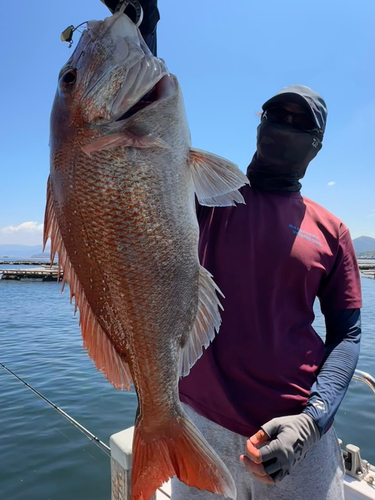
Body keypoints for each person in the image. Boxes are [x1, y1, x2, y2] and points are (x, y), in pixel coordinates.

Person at [102, 2, 362, 499]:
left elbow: (347, 336)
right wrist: (141, 32)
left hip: (295, 435)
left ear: (316, 146)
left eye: (299, 122)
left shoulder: (333, 230)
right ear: (258, 125)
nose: (284, 125)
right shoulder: (212, 195)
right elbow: (143, 153)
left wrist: (313, 419)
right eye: (275, 114)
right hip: (197, 425)